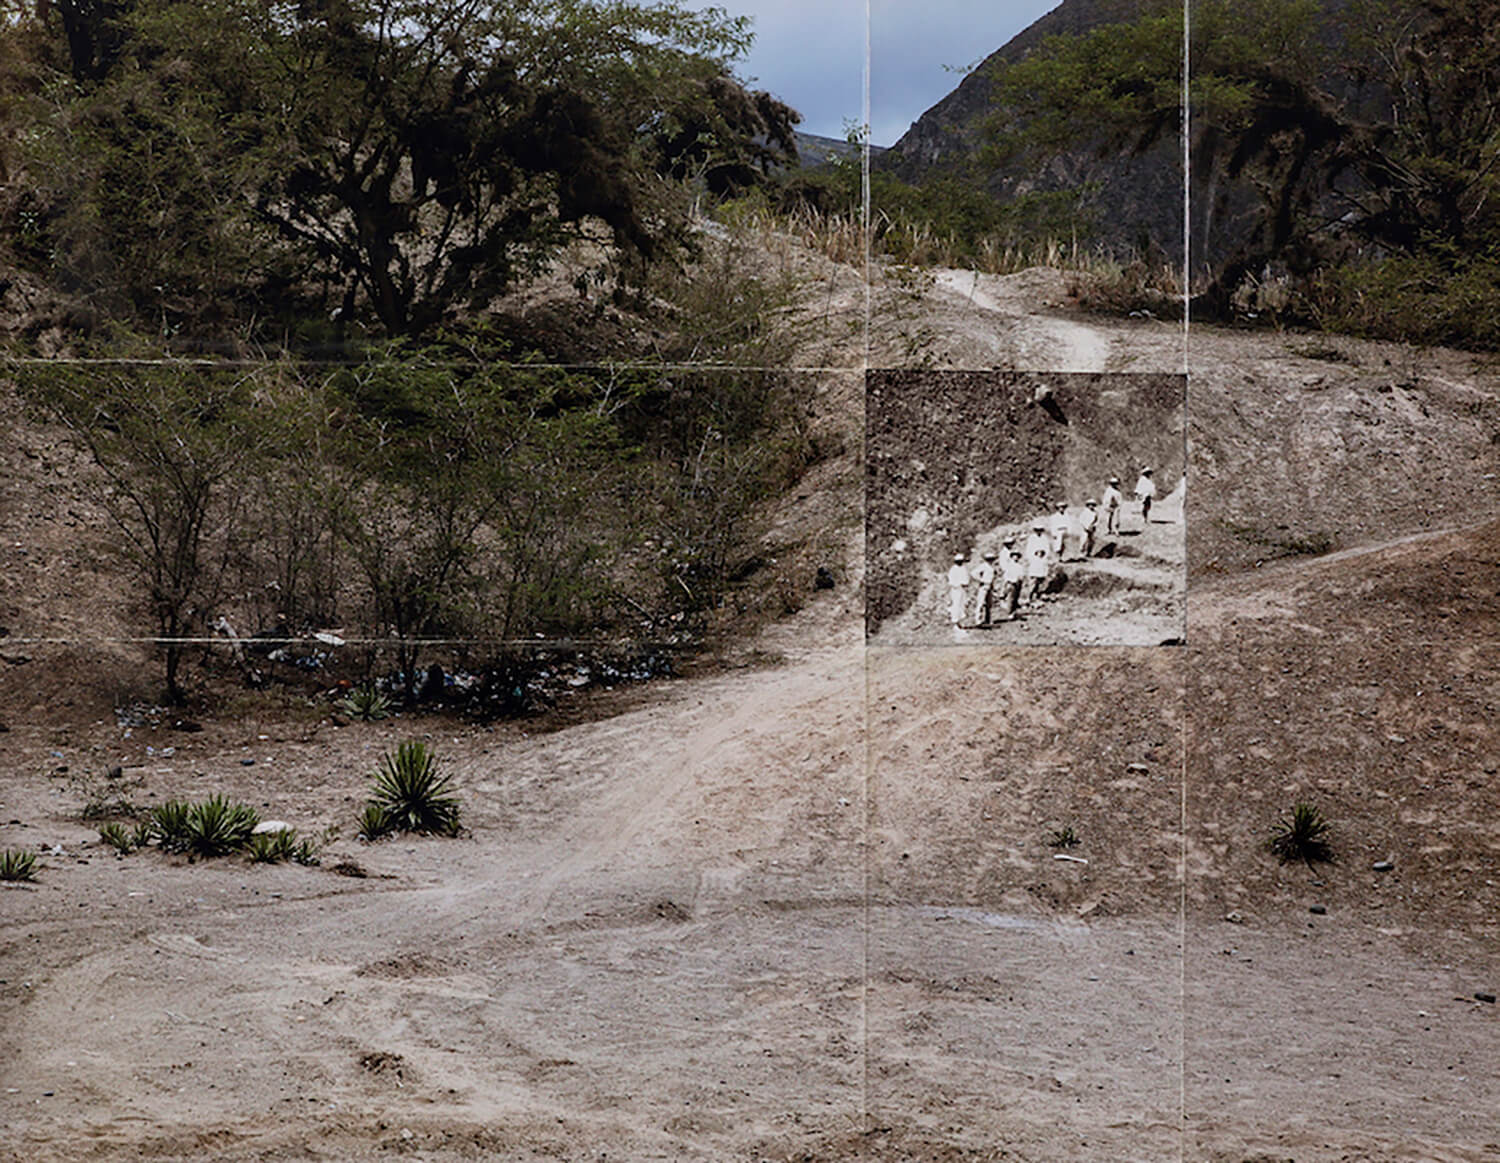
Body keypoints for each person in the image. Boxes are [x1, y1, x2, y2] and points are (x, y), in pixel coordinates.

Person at [1024, 521, 1051, 604]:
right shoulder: (1032, 538)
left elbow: (1047, 549)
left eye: (1040, 530)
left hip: (1042, 560)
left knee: (1041, 579)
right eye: (1037, 530)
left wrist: (1043, 553)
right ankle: (1029, 596)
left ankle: (1039, 594)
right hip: (1034, 560)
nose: (1038, 531)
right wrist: (1034, 554)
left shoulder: (1044, 538)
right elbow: (1029, 550)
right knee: (1033, 579)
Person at [1000, 542, 1026, 619]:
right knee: (1010, 598)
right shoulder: (1009, 565)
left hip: (1018, 583)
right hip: (1011, 583)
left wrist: (1021, 581)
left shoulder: (1019, 566)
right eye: (1014, 556)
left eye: (1017, 556)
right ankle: (1009, 613)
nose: (1016, 558)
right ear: (1012, 557)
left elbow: (1021, 575)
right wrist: (1006, 583)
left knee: (1015, 598)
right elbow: (1006, 575)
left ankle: (1014, 612)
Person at [971, 551, 997, 626]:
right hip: (984, 586)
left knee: (989, 604)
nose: (991, 560)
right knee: (981, 603)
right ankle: (978, 620)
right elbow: (973, 573)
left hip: (989, 586)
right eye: (989, 559)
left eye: (992, 559)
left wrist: (993, 587)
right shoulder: (983, 566)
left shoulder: (992, 567)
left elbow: (992, 578)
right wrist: (981, 580)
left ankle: (988, 620)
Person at [947, 553, 970, 627]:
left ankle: (960, 622)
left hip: (962, 589)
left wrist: (965, 584)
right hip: (956, 589)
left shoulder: (963, 568)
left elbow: (966, 578)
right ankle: (955, 622)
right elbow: (951, 581)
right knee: (956, 605)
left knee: (962, 605)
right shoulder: (953, 569)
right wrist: (958, 584)